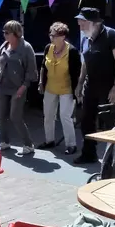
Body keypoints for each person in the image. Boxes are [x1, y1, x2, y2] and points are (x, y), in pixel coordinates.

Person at [74, 8, 115, 164]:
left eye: (83, 23)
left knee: (111, 123)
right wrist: (80, 83)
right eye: (79, 23)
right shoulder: (86, 38)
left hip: (109, 86)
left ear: (94, 23)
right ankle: (89, 154)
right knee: (86, 121)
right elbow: (85, 63)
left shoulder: (112, 36)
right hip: (91, 86)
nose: (80, 26)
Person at [0, 20, 38, 156]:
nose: (5, 35)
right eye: (4, 32)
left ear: (16, 33)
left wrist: (24, 87)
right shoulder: (4, 45)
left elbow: (31, 71)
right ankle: (4, 142)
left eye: (7, 33)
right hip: (2, 86)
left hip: (18, 87)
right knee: (1, 116)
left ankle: (28, 144)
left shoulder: (26, 48)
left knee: (15, 116)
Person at [38, 22, 82, 155]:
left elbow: (78, 72)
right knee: (48, 116)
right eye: (51, 35)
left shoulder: (72, 51)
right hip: (50, 87)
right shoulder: (48, 48)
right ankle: (49, 140)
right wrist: (41, 82)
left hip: (66, 88)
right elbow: (43, 67)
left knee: (65, 116)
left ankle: (71, 144)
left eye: (55, 35)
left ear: (63, 36)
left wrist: (78, 90)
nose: (52, 38)